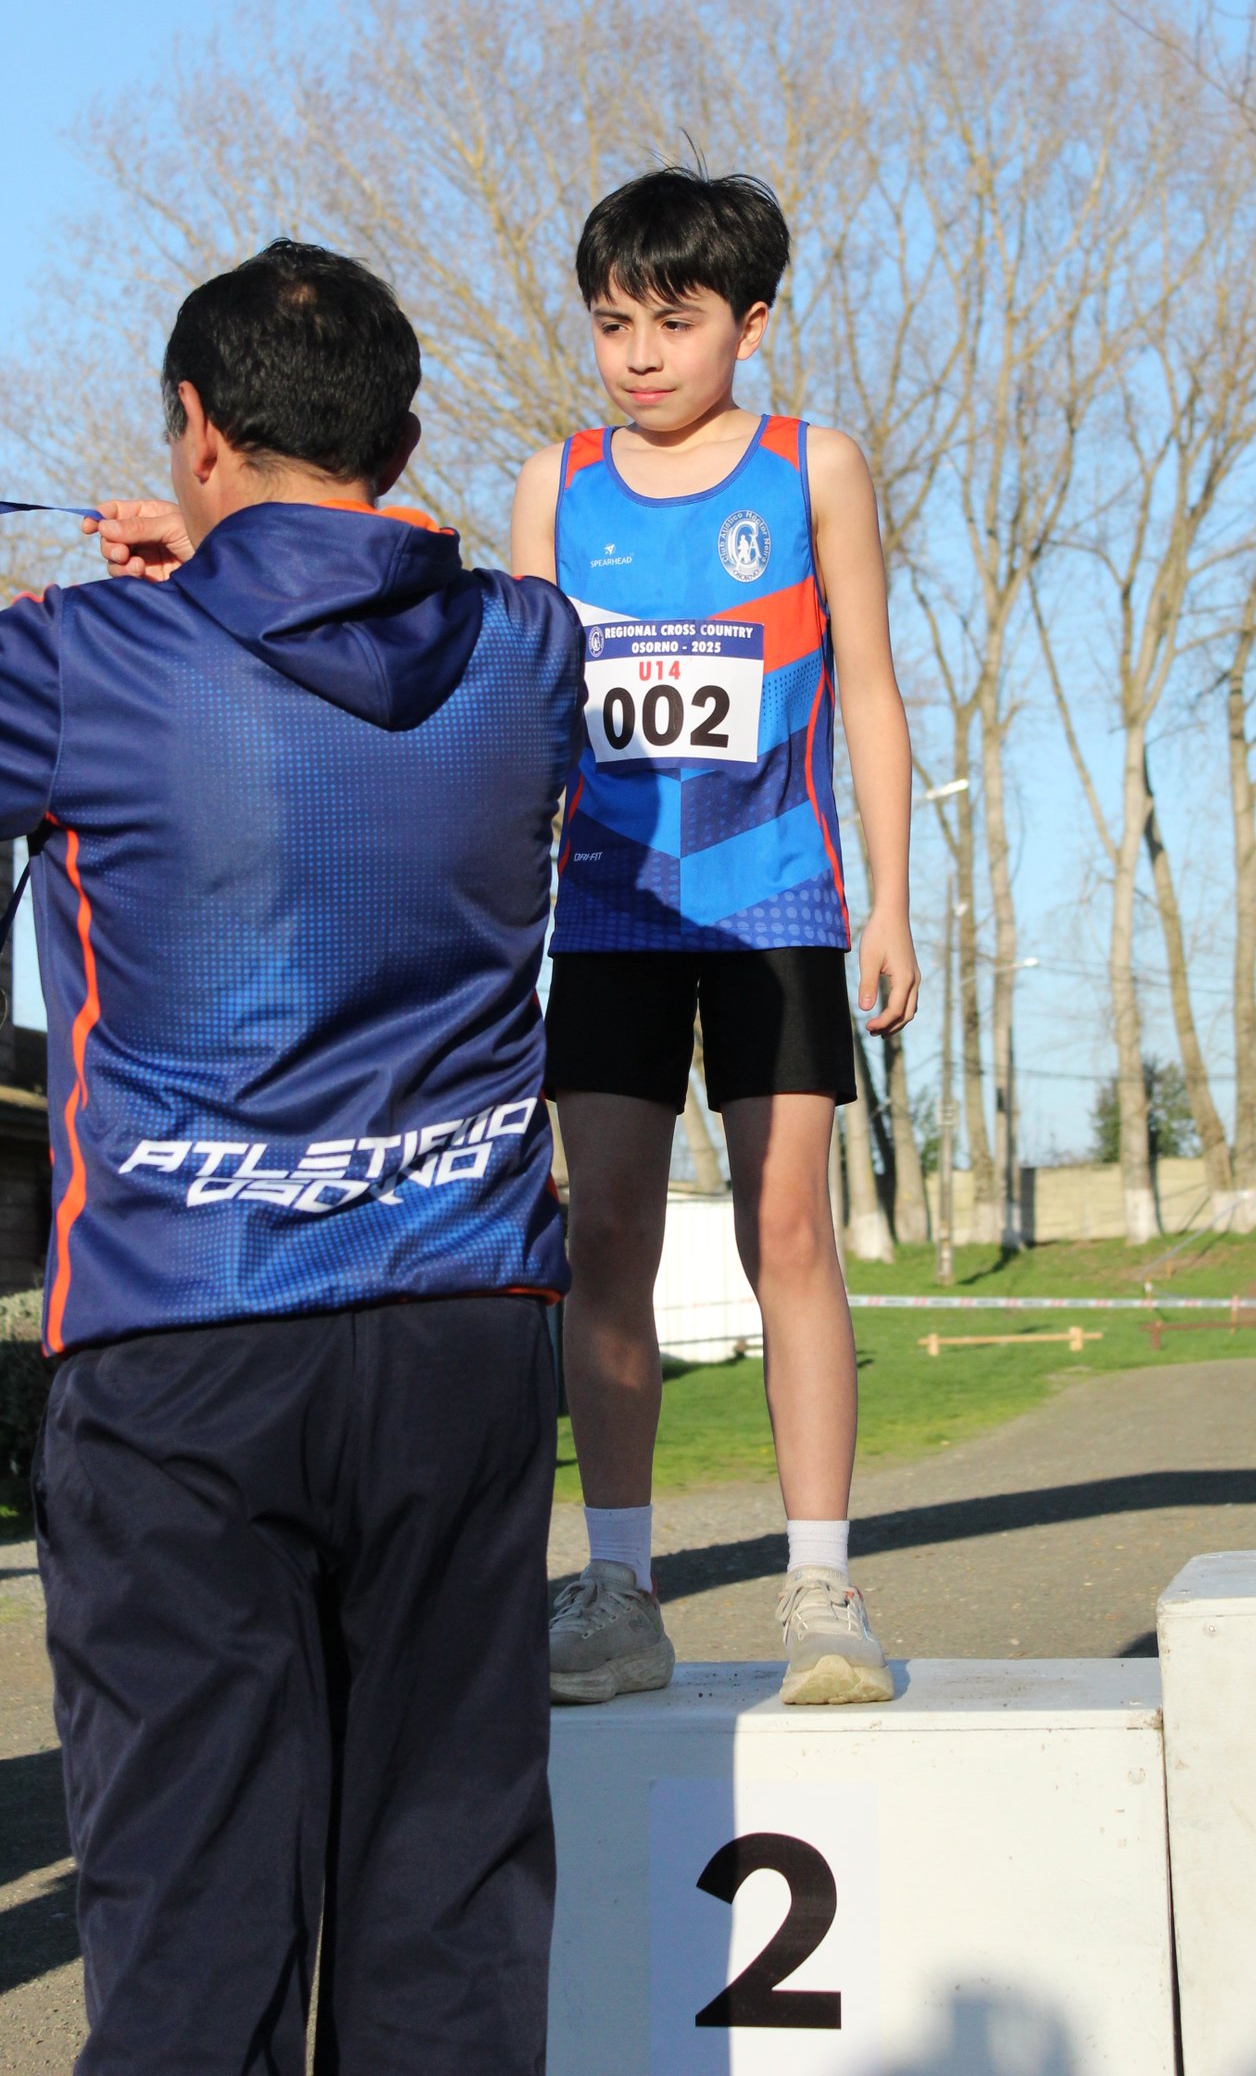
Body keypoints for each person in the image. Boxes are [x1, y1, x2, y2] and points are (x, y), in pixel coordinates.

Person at [44, 240, 582, 2074]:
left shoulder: (77, 661)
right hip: (459, 1330)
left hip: (179, 1341)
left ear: (194, 430)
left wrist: (198, 580)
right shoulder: (532, 649)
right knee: (449, 1905)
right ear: (405, 441)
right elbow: (397, 585)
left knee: (195, 1920)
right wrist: (252, 559)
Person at [511, 166, 919, 1708]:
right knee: (606, 1232)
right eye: (613, 322)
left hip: (777, 903)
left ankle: (822, 1587)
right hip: (611, 908)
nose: (638, 355)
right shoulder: (557, 485)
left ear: (750, 325)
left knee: (786, 1230)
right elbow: (524, 716)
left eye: (673, 324)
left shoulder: (816, 467)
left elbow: (867, 687)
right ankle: (619, 1589)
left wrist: (890, 901)